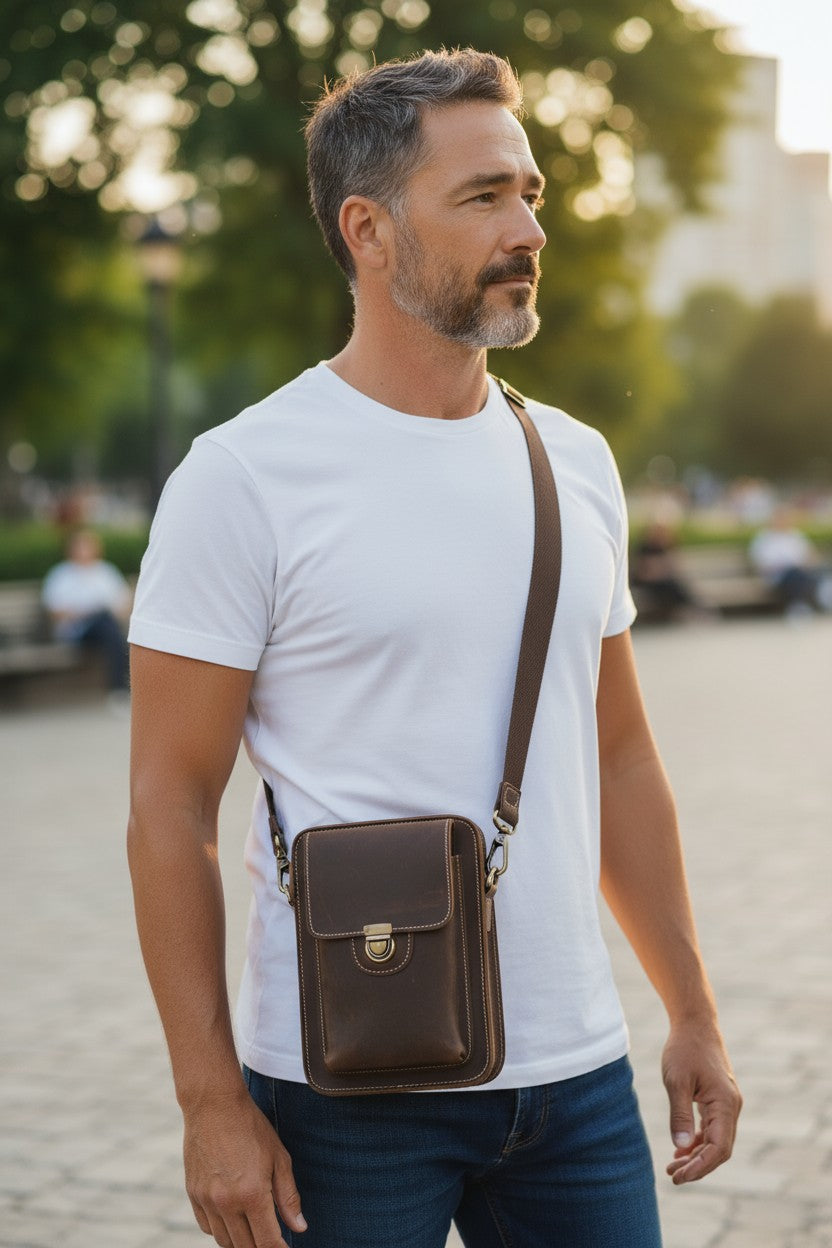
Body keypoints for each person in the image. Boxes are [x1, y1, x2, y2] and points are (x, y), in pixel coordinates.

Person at [127, 50, 741, 1248]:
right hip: (341, 1095)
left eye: (530, 194)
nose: (526, 227)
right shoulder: (245, 479)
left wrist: (692, 1011)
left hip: (574, 1087)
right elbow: (167, 805)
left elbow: (617, 758)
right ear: (368, 229)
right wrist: (211, 1104)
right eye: (482, 198)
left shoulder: (572, 461)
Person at [42, 528, 131, 692]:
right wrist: (85, 613)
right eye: (80, 546)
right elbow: (54, 611)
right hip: (77, 630)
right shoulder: (60, 575)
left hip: (106, 628)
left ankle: (119, 687)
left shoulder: (106, 572)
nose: (84, 551)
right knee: (108, 627)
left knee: (107, 625)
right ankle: (119, 688)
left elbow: (123, 605)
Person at [749, 508, 832, 617]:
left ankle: (816, 600)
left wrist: (807, 563)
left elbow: (811, 556)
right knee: (794, 574)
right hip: (779, 576)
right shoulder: (764, 538)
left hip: (801, 572)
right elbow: (761, 564)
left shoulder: (795, 535)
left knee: (815, 572)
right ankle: (800, 607)